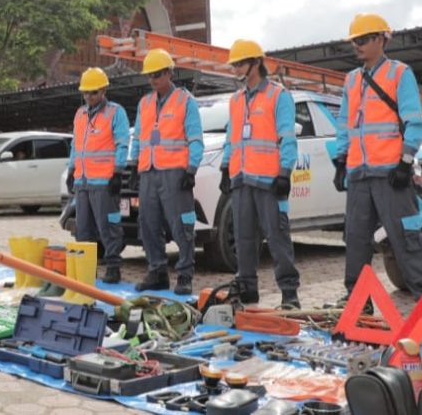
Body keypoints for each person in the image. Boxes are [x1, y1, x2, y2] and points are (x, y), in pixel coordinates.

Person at [334, 13, 422, 304]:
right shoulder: (352, 80)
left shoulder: (399, 73)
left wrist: (405, 161)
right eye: (354, 41)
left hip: (392, 173)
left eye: (363, 40)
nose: (357, 46)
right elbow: (345, 123)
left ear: (381, 39)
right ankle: (356, 299)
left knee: (406, 235)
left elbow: (415, 122)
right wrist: (340, 160)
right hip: (358, 173)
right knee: (355, 239)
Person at [219, 40, 301, 308]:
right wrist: (225, 166)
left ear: (256, 63)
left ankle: (289, 294)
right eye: (233, 65)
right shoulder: (235, 99)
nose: (235, 69)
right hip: (241, 180)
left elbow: (287, 137)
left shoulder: (278, 95)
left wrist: (284, 173)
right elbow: (231, 137)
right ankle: (248, 291)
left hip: (268, 181)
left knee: (277, 238)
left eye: (240, 64)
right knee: (243, 240)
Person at [128, 49, 204, 295]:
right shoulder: (145, 103)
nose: (153, 79)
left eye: (158, 74)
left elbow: (195, 139)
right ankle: (157, 271)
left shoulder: (185, 101)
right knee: (148, 224)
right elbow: (139, 137)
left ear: (170, 72)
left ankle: (184, 275)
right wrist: (133, 165)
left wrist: (191, 169)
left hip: (175, 173)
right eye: (150, 75)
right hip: (149, 173)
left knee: (181, 225)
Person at [66, 67, 130, 284]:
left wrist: (118, 172)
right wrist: (71, 169)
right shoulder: (79, 114)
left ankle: (113, 266)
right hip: (83, 182)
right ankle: (87, 270)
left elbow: (122, 143)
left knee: (109, 226)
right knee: (83, 228)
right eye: (86, 92)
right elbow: (76, 144)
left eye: (93, 92)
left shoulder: (115, 112)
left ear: (103, 90)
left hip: (104, 182)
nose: (89, 96)